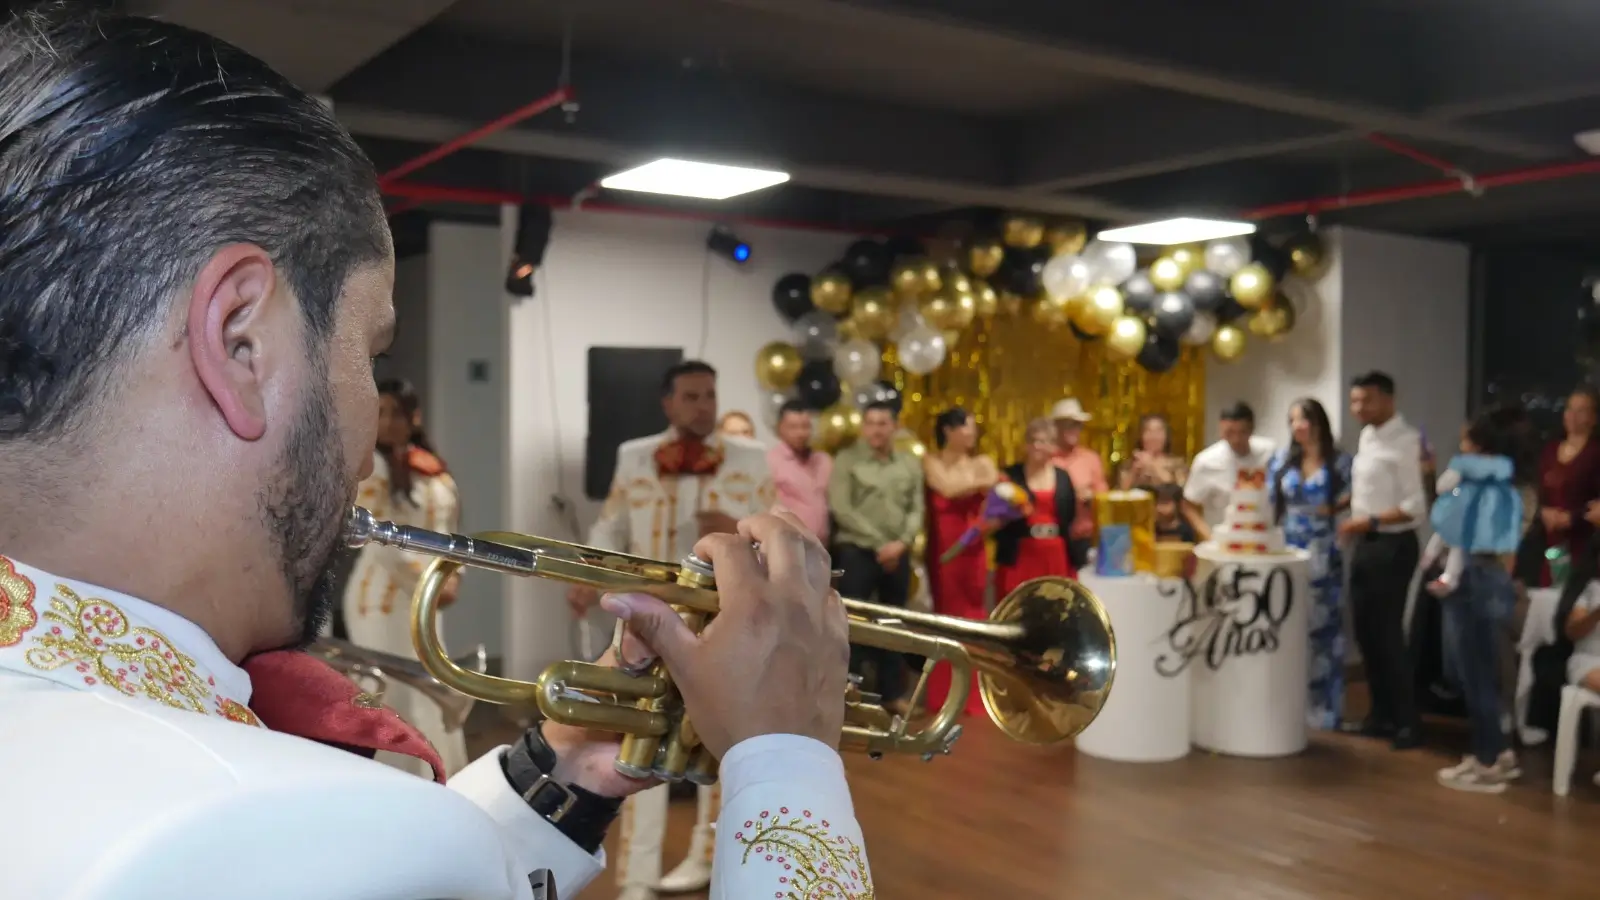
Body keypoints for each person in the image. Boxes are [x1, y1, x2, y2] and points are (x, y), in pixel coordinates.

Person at [0, 9, 867, 900]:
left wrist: (567, 766)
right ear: (240, 341)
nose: (365, 458)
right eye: (372, 354)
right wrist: (788, 761)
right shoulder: (251, 826)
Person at [567, 360, 774, 899]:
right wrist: (587, 574)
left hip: (720, 620)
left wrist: (734, 529)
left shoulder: (751, 459)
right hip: (644, 619)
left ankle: (713, 858)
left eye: (710, 394)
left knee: (715, 741)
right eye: (691, 396)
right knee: (640, 743)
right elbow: (612, 522)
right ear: (668, 403)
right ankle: (635, 877)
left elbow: (777, 536)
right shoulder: (635, 456)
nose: (703, 405)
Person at [344, 378, 468, 777]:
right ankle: (393, 785)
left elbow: (451, 535)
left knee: (431, 692)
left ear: (414, 416)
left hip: (425, 598)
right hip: (380, 600)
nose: (386, 422)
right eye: (379, 413)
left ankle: (438, 780)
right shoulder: (372, 467)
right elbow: (376, 537)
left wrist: (456, 576)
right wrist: (433, 582)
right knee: (391, 694)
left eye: (395, 412)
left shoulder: (434, 472)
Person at [1426, 413, 1524, 792]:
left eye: (1465, 441)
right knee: (1476, 670)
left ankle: (1487, 761)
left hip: (1475, 578)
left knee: (1475, 673)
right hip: (1487, 575)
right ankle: (1495, 751)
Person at [1340, 371, 1428, 749]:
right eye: (1355, 401)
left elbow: (1415, 507)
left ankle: (1408, 722)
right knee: (1366, 632)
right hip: (1365, 542)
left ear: (1389, 400)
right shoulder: (1367, 436)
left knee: (1389, 634)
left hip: (1393, 545)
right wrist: (1341, 506)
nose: (1358, 408)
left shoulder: (1408, 442)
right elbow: (1369, 489)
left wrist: (1369, 521)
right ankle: (1380, 715)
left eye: (1367, 401)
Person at [830, 401, 925, 714]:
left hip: (897, 554)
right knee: (852, 622)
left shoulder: (909, 462)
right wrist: (880, 544)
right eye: (870, 422)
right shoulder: (847, 460)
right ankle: (847, 693)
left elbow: (916, 507)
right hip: (858, 552)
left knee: (895, 622)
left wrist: (902, 542)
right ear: (863, 427)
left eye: (883, 423)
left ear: (894, 427)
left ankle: (892, 694)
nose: (876, 429)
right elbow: (842, 508)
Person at [1266, 398, 1353, 731]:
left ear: (1318, 423)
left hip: (1324, 549)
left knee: (1325, 632)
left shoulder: (1340, 462)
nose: (1296, 427)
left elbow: (1357, 494)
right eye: (1292, 421)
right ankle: (1288, 706)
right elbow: (1272, 503)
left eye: (1302, 420)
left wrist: (1333, 512)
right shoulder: (1283, 461)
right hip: (1290, 549)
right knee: (1290, 627)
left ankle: (1325, 709)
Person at [922, 407, 998, 717]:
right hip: (942, 550)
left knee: (974, 614)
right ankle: (942, 694)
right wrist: (974, 485)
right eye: (967, 428)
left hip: (973, 549)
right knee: (945, 616)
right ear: (949, 431)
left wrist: (978, 484)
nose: (973, 434)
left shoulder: (982, 461)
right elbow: (947, 488)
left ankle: (974, 694)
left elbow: (992, 481)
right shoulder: (930, 461)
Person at [995, 418, 1081, 598]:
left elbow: (1070, 515)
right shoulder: (1011, 476)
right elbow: (997, 516)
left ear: (1053, 446)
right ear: (1026, 445)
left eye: (1043, 441)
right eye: (1033, 440)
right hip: (1020, 555)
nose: (1037, 446)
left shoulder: (1063, 477)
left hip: (1055, 556)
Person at [1534, 387, 1600, 585]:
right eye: (1569, 408)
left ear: (1593, 417)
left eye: (1581, 410)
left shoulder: (1595, 453)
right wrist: (1544, 512)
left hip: (1585, 542)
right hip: (1552, 542)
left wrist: (1573, 517)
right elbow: (1540, 492)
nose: (1572, 415)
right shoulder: (1550, 450)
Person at [1183, 402, 1277, 541]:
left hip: (1262, 537)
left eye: (1242, 432)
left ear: (1252, 429)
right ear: (1220, 429)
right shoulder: (1206, 461)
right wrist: (1209, 537)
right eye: (1230, 433)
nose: (1236, 439)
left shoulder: (1269, 453)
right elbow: (1188, 505)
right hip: (1224, 539)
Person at [1050, 398, 1108, 566]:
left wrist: (1092, 497)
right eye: (1069, 425)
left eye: (1077, 425)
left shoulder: (1090, 459)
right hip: (1055, 538)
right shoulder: (1046, 460)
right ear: (1056, 428)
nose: (1074, 430)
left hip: (1084, 540)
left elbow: (1104, 499)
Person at [766, 400, 832, 541]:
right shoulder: (770, 461)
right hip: (788, 546)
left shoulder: (823, 461)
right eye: (793, 427)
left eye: (805, 426)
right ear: (780, 428)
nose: (801, 433)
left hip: (824, 547)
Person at [1118, 413, 1189, 491]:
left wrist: (1153, 465)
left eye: (1158, 431)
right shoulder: (1130, 464)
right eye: (1149, 431)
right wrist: (1134, 472)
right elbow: (1121, 493)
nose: (1153, 436)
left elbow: (1181, 491)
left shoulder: (1178, 463)